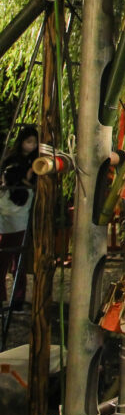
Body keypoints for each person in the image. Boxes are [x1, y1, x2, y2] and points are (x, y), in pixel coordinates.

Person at [0, 126, 37, 309]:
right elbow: (9, 178)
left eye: (34, 142)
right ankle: (5, 296)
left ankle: (18, 299)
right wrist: (25, 178)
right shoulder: (12, 160)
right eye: (29, 141)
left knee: (18, 259)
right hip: (8, 209)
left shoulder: (36, 160)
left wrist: (27, 178)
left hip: (22, 211)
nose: (32, 146)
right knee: (4, 256)